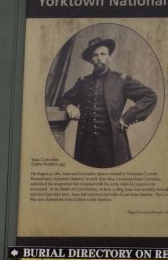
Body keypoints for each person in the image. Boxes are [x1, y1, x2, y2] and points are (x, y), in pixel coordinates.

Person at [59, 36, 157, 168]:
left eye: (103, 54)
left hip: (113, 145)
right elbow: (64, 99)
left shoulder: (121, 80)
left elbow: (150, 96)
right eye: (95, 55)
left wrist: (127, 118)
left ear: (109, 57)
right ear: (90, 59)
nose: (99, 58)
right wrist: (69, 105)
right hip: (86, 147)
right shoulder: (82, 82)